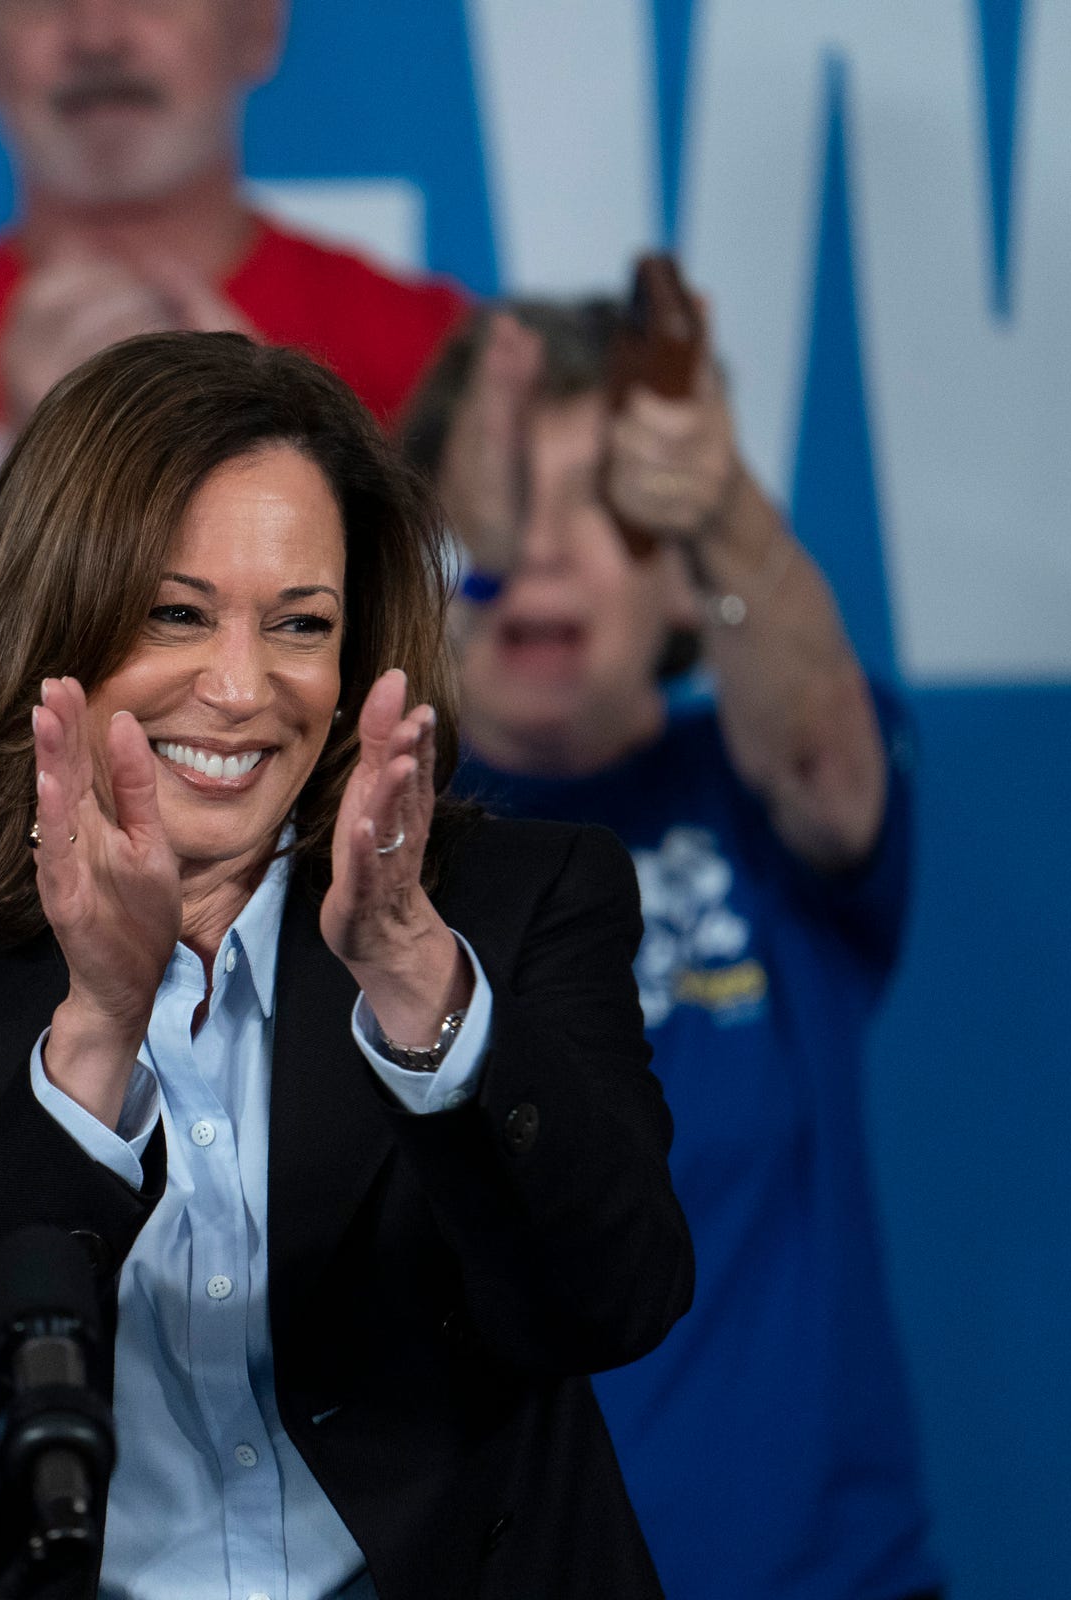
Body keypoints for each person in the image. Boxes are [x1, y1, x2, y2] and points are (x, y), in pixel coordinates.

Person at [0, 331, 692, 1599]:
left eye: (300, 624)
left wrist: (416, 984)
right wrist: (94, 1036)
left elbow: (610, 1303)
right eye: (176, 615)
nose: (242, 690)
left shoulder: (515, 912)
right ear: (49, 631)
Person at [0, 0, 465, 929]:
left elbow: (500, 791)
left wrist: (288, 455)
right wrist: (35, 483)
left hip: (340, 1029)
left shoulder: (434, 365)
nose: (97, 34)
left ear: (257, 27)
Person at [402, 298, 943, 1600]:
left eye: (605, 503)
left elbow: (817, 747)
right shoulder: (369, 842)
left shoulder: (755, 803)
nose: (541, 551)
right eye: (505, 500)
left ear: (677, 576)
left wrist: (723, 506)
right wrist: (436, 571)